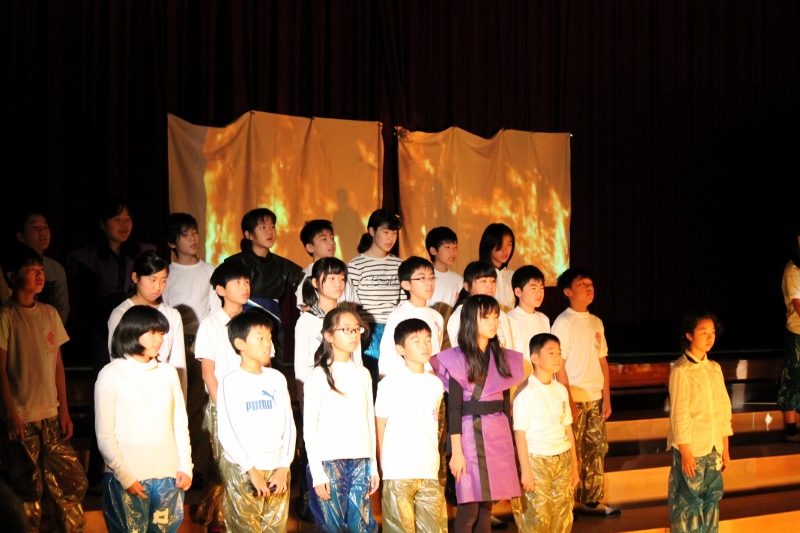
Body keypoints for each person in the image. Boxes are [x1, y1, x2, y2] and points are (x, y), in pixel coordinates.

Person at [0, 243, 87, 532]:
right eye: (31, 270)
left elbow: (57, 364)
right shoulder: (7, 316)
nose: (39, 275)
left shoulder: (49, 313)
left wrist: (64, 410)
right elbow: (1, 370)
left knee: (69, 480)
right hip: (23, 414)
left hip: (50, 412)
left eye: (40, 269)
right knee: (27, 486)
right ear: (12, 276)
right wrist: (11, 414)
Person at [431, 295, 524, 532]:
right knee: (469, 508)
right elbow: (454, 408)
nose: (494, 322)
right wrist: (456, 452)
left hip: (497, 433)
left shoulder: (502, 356)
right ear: (472, 320)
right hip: (469, 435)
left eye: (495, 316)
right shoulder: (456, 357)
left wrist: (511, 446)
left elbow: (505, 404)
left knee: (486, 508)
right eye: (486, 317)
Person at [95, 306, 192, 533]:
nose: (159, 339)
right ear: (132, 332)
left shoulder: (168, 373)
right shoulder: (111, 374)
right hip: (128, 477)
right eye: (152, 332)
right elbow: (105, 433)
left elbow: (180, 423)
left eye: (161, 333)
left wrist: (186, 466)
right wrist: (124, 476)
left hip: (168, 476)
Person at [216, 309, 296, 533]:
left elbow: (289, 426)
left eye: (269, 337)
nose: (267, 344)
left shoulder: (277, 378)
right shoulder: (230, 381)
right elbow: (226, 432)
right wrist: (251, 470)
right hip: (244, 470)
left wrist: (283, 466)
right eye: (260, 338)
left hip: (277, 468)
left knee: (275, 527)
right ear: (240, 344)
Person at [303, 307, 379, 532]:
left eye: (357, 329)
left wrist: (373, 466)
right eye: (346, 329)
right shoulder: (318, 375)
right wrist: (318, 473)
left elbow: (369, 422)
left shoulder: (363, 374)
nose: (354, 334)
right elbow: (310, 427)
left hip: (360, 460)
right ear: (328, 335)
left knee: (361, 525)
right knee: (331, 526)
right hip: (329, 461)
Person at [161, 212, 220, 496]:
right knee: (174, 406)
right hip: (172, 344)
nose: (193, 239)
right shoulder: (167, 273)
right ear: (172, 242)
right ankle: (173, 466)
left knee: (198, 407)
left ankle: (199, 468)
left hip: (200, 344)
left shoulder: (209, 271)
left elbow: (215, 311)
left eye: (195, 232)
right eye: (185, 235)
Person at [551, 267, 618, 516]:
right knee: (572, 450)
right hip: (574, 397)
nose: (589, 288)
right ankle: (567, 502)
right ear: (568, 291)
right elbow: (559, 364)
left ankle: (591, 499)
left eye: (591, 284)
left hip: (595, 396)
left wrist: (606, 398)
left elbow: (603, 361)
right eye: (582, 284)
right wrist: (568, 400)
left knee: (596, 449)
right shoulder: (563, 322)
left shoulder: (596, 322)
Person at [193, 261, 252, 532]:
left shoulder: (253, 322)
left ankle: (243, 518)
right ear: (220, 290)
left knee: (248, 463)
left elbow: (265, 364)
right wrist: (224, 408)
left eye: (246, 282)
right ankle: (217, 520)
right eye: (237, 282)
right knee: (222, 465)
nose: (244, 287)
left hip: (252, 405)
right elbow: (208, 373)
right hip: (223, 404)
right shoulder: (211, 324)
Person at [67, 198, 155, 373]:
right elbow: (87, 304)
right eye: (117, 219)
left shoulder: (141, 253)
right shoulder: (88, 257)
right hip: (102, 329)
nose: (124, 225)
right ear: (102, 224)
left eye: (128, 219)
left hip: (138, 325)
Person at [376, 319, 447, 533]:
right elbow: (380, 425)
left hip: (429, 467)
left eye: (428, 340)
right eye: (416, 341)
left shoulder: (436, 383)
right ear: (400, 349)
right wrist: (383, 465)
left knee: (434, 528)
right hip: (398, 469)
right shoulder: (390, 383)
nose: (425, 345)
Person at [667, 312, 732, 532]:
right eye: (703, 332)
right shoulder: (681, 370)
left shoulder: (714, 368)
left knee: (711, 498)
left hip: (713, 445)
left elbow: (723, 408)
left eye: (712, 332)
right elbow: (679, 413)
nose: (709, 337)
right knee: (688, 501)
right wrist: (685, 451)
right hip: (692, 447)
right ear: (689, 335)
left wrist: (725, 448)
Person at [511, 334, 579, 533]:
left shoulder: (561, 390)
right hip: (537, 460)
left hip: (562, 459)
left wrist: (574, 466)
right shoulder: (526, 392)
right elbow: (519, 434)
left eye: (559, 352)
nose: (557, 357)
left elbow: (568, 429)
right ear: (535, 358)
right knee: (537, 518)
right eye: (551, 353)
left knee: (562, 516)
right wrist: (526, 471)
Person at [224, 208, 304, 361]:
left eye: (272, 227)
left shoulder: (285, 266)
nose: (270, 232)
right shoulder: (234, 263)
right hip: (243, 325)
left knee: (272, 365)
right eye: (263, 227)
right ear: (248, 234)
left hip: (274, 327)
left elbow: (301, 288)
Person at [107, 250, 187, 400]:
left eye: (163, 280)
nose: (158, 287)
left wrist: (180, 402)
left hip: (163, 394)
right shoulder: (121, 314)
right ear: (135, 277)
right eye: (152, 280)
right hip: (131, 394)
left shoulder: (172, 315)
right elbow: (117, 360)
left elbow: (179, 365)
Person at [346, 209, 405, 387]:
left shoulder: (399, 265)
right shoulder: (356, 265)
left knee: (393, 380)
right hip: (367, 331)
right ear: (372, 231)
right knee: (369, 379)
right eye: (386, 232)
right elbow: (351, 302)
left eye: (394, 233)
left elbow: (403, 301)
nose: (391, 238)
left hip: (393, 329)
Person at [294, 257, 362, 408]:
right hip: (319, 392)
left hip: (348, 390)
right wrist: (303, 399)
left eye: (342, 278)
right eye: (332, 278)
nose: (339, 284)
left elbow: (357, 358)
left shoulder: (349, 318)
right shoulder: (307, 321)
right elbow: (301, 366)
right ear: (315, 282)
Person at [378, 256, 444, 378]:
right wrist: (386, 382)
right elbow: (388, 356)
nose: (429, 283)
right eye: (422, 278)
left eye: (431, 278)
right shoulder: (398, 316)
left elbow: (436, 350)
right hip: (407, 381)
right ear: (406, 284)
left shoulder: (437, 317)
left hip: (431, 380)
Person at [447, 261, 522, 353]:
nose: (490, 286)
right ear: (467, 286)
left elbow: (509, 351)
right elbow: (459, 354)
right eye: (483, 281)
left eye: (493, 281)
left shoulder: (501, 315)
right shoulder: (459, 315)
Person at [13, 210, 70, 324]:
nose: (43, 231)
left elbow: (62, 307)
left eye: (45, 226)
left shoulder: (56, 269)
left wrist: (51, 330)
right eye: (35, 227)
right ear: (21, 236)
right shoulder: (12, 267)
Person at [293, 219, 356, 311]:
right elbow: (306, 309)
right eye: (324, 239)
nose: (332, 243)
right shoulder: (306, 275)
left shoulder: (342, 271)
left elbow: (353, 305)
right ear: (310, 247)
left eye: (332, 238)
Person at [778, 227, 800, 442]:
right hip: (797, 333)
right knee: (794, 378)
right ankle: (791, 429)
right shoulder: (793, 270)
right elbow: (798, 305)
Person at [507, 266, 550, 358]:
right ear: (518, 292)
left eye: (541, 288)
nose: (539, 293)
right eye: (533, 288)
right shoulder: (510, 319)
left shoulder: (544, 319)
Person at [478, 223, 516, 314]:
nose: (505, 250)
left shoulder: (512, 276)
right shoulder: (479, 275)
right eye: (500, 245)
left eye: (509, 244)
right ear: (489, 245)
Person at [425, 226, 463, 316]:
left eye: (455, 247)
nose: (453, 252)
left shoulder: (458, 279)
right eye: (447, 247)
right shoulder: (425, 277)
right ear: (433, 251)